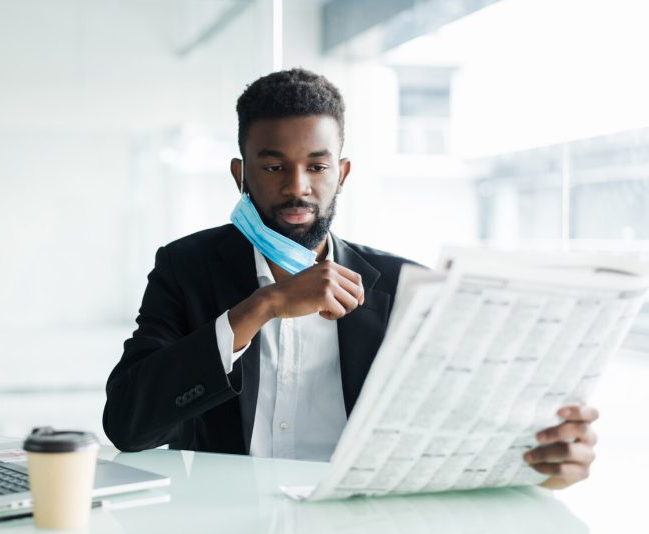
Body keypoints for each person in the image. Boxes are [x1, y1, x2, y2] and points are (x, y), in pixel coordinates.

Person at [103, 68, 597, 490]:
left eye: (317, 166)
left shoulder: (406, 286)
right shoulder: (184, 268)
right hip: (233, 520)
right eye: (274, 166)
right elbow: (129, 425)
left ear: (341, 174)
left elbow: (456, 427)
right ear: (240, 174)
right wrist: (261, 307)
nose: (298, 187)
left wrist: (539, 465)